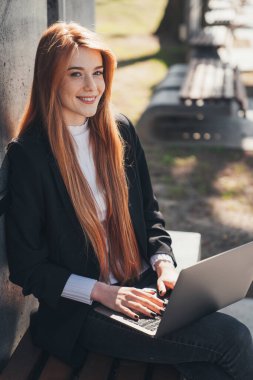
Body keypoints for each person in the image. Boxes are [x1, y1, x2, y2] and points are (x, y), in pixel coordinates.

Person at [5, 22, 253, 379]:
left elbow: (150, 216)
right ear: (50, 79)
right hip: (84, 313)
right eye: (76, 74)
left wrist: (164, 262)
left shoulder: (118, 130)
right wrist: (103, 293)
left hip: (143, 287)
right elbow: (28, 268)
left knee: (207, 363)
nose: (92, 87)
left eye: (98, 72)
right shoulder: (30, 156)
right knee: (233, 338)